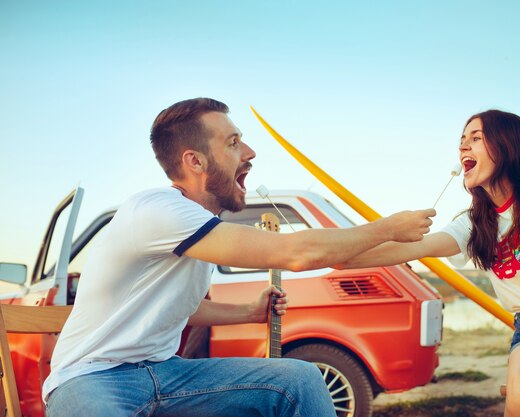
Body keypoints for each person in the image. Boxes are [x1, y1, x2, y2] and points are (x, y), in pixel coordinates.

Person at [42, 97, 435, 417]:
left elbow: (183, 308)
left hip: (165, 373)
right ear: (194, 161)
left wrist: (248, 311)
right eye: (233, 142)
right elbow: (296, 253)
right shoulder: (157, 210)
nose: (249, 152)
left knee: (300, 380)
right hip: (90, 378)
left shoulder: (202, 225)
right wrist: (386, 227)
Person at [336, 110, 520, 417]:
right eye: (461, 140)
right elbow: (410, 249)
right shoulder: (474, 223)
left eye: (476, 138)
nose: (462, 147)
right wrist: (339, 257)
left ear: (507, 145)